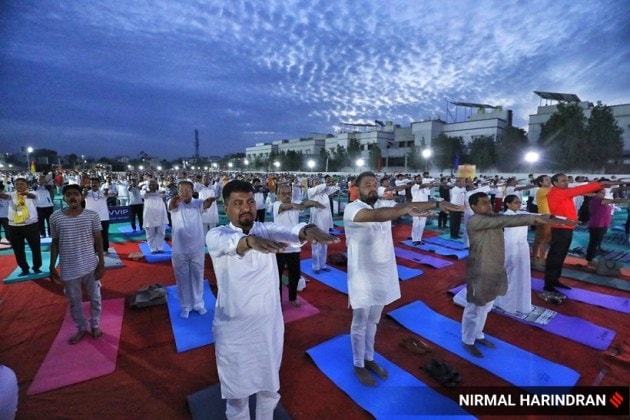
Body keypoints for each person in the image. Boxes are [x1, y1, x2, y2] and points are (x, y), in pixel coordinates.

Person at [206, 180, 337, 420]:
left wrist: (306, 229)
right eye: (237, 203)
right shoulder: (217, 234)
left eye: (250, 202)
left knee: (269, 388)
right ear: (226, 209)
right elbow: (231, 244)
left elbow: (288, 232)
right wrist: (250, 242)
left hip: (269, 325)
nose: (246, 208)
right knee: (237, 396)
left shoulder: (265, 229)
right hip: (234, 328)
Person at [344, 172, 463, 386]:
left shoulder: (381, 203)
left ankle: (369, 358)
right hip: (362, 275)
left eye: (374, 184)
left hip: (383, 272)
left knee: (374, 320)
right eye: (367, 185)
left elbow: (407, 203)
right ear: (357, 188)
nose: (372, 187)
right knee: (360, 322)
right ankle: (358, 364)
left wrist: (437, 202)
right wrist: (406, 209)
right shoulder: (352, 208)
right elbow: (379, 215)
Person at [461, 192, 573, 357]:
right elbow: (510, 219)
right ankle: (467, 340)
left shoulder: (492, 217)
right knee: (474, 307)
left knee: (486, 306)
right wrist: (541, 219)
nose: (489, 205)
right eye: (484, 203)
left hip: (495, 267)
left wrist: (553, 218)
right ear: (474, 207)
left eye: (489, 202)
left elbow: (514, 217)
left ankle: (477, 334)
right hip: (480, 271)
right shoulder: (476, 220)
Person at [49, 184, 105, 344]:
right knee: (74, 301)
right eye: (68, 194)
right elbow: (55, 242)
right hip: (68, 266)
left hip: (90, 264)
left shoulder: (92, 216)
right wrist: (52, 265)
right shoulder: (55, 217)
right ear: (64, 198)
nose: (72, 197)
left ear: (81, 196)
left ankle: (95, 324)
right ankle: (81, 327)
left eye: (75, 194)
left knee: (95, 298)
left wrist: (101, 263)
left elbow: (99, 240)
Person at [543, 174, 618, 293]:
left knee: (560, 256)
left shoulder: (562, 191)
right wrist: (599, 184)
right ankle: (549, 284)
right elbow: (579, 189)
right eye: (563, 181)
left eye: (567, 180)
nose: (566, 182)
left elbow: (578, 189)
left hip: (566, 227)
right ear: (555, 183)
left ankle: (554, 280)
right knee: (555, 257)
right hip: (560, 228)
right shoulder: (557, 192)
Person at [168, 180, 215, 318]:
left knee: (197, 276)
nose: (185, 193)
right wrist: (177, 198)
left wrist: (210, 201)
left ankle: (198, 304)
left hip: (197, 247)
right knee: (182, 278)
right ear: (178, 191)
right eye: (182, 190)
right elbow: (171, 206)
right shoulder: (175, 203)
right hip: (179, 248)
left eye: (188, 190)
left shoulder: (198, 203)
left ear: (192, 191)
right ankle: (185, 306)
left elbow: (205, 204)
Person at [273, 183, 325, 306]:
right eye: (284, 194)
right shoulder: (276, 205)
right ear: (277, 195)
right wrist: (298, 205)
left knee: (295, 275)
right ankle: (277, 301)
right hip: (280, 247)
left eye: (289, 193)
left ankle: (292, 298)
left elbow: (303, 204)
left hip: (294, 246)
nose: (287, 196)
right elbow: (286, 207)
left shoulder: (295, 204)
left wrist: (313, 203)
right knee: (277, 276)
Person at [493, 195, 533, 314]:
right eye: (516, 203)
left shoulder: (521, 214)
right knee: (510, 275)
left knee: (521, 274)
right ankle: (506, 303)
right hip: (510, 247)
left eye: (519, 202)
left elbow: (540, 217)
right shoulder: (505, 216)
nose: (519, 205)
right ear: (508, 204)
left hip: (522, 247)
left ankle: (519, 303)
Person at [0, 177, 41, 276]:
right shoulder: (11, 194)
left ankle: (36, 267)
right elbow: (5, 196)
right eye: (17, 184)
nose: (19, 185)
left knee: (35, 247)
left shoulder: (34, 193)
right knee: (18, 249)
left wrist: (26, 194)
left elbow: (33, 196)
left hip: (31, 225)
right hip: (14, 226)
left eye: (22, 184)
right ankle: (24, 268)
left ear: (27, 185)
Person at [585, 186, 630, 267]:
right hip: (597, 225)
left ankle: (594, 256)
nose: (604, 194)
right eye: (601, 192)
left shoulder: (601, 200)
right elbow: (614, 200)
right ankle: (590, 260)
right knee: (593, 243)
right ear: (595, 194)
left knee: (597, 242)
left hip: (602, 224)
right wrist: (627, 200)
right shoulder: (597, 200)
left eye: (604, 192)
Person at [307, 176, 339, 274]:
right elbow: (319, 188)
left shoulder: (324, 193)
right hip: (316, 223)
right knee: (316, 244)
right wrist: (325, 184)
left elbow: (335, 188)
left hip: (325, 223)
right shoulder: (311, 192)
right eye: (315, 181)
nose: (317, 183)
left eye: (318, 181)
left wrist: (333, 182)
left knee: (324, 244)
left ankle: (323, 265)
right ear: (311, 184)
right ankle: (315, 267)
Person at [83, 177, 111, 254]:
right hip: (91, 218)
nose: (94, 184)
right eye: (92, 183)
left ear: (99, 184)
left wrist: (106, 192)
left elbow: (106, 194)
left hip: (104, 217)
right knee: (92, 235)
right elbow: (82, 198)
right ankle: (95, 250)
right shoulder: (87, 193)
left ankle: (105, 249)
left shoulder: (103, 192)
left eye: (95, 182)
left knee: (104, 234)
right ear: (90, 184)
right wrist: (84, 192)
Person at [143, 179, 168, 254]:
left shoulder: (160, 192)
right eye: (150, 184)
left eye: (153, 184)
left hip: (160, 215)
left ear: (157, 185)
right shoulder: (145, 192)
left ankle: (160, 247)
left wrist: (158, 191)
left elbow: (163, 193)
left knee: (161, 232)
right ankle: (152, 249)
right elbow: (144, 195)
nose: (152, 186)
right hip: (149, 216)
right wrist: (148, 191)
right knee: (150, 234)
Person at [532, 174, 552, 271]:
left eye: (549, 179)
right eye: (546, 180)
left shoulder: (550, 190)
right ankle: (536, 260)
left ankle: (541, 259)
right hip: (543, 217)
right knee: (540, 240)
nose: (549, 181)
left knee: (545, 240)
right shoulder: (541, 191)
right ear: (541, 183)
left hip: (550, 218)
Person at [410, 175, 434, 245]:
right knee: (416, 224)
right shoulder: (414, 187)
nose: (419, 180)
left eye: (420, 179)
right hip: (415, 207)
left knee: (422, 224)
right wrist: (429, 183)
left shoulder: (425, 188)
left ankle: (419, 239)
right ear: (415, 180)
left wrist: (432, 184)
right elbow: (422, 186)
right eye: (418, 179)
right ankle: (414, 240)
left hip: (424, 207)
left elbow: (428, 191)